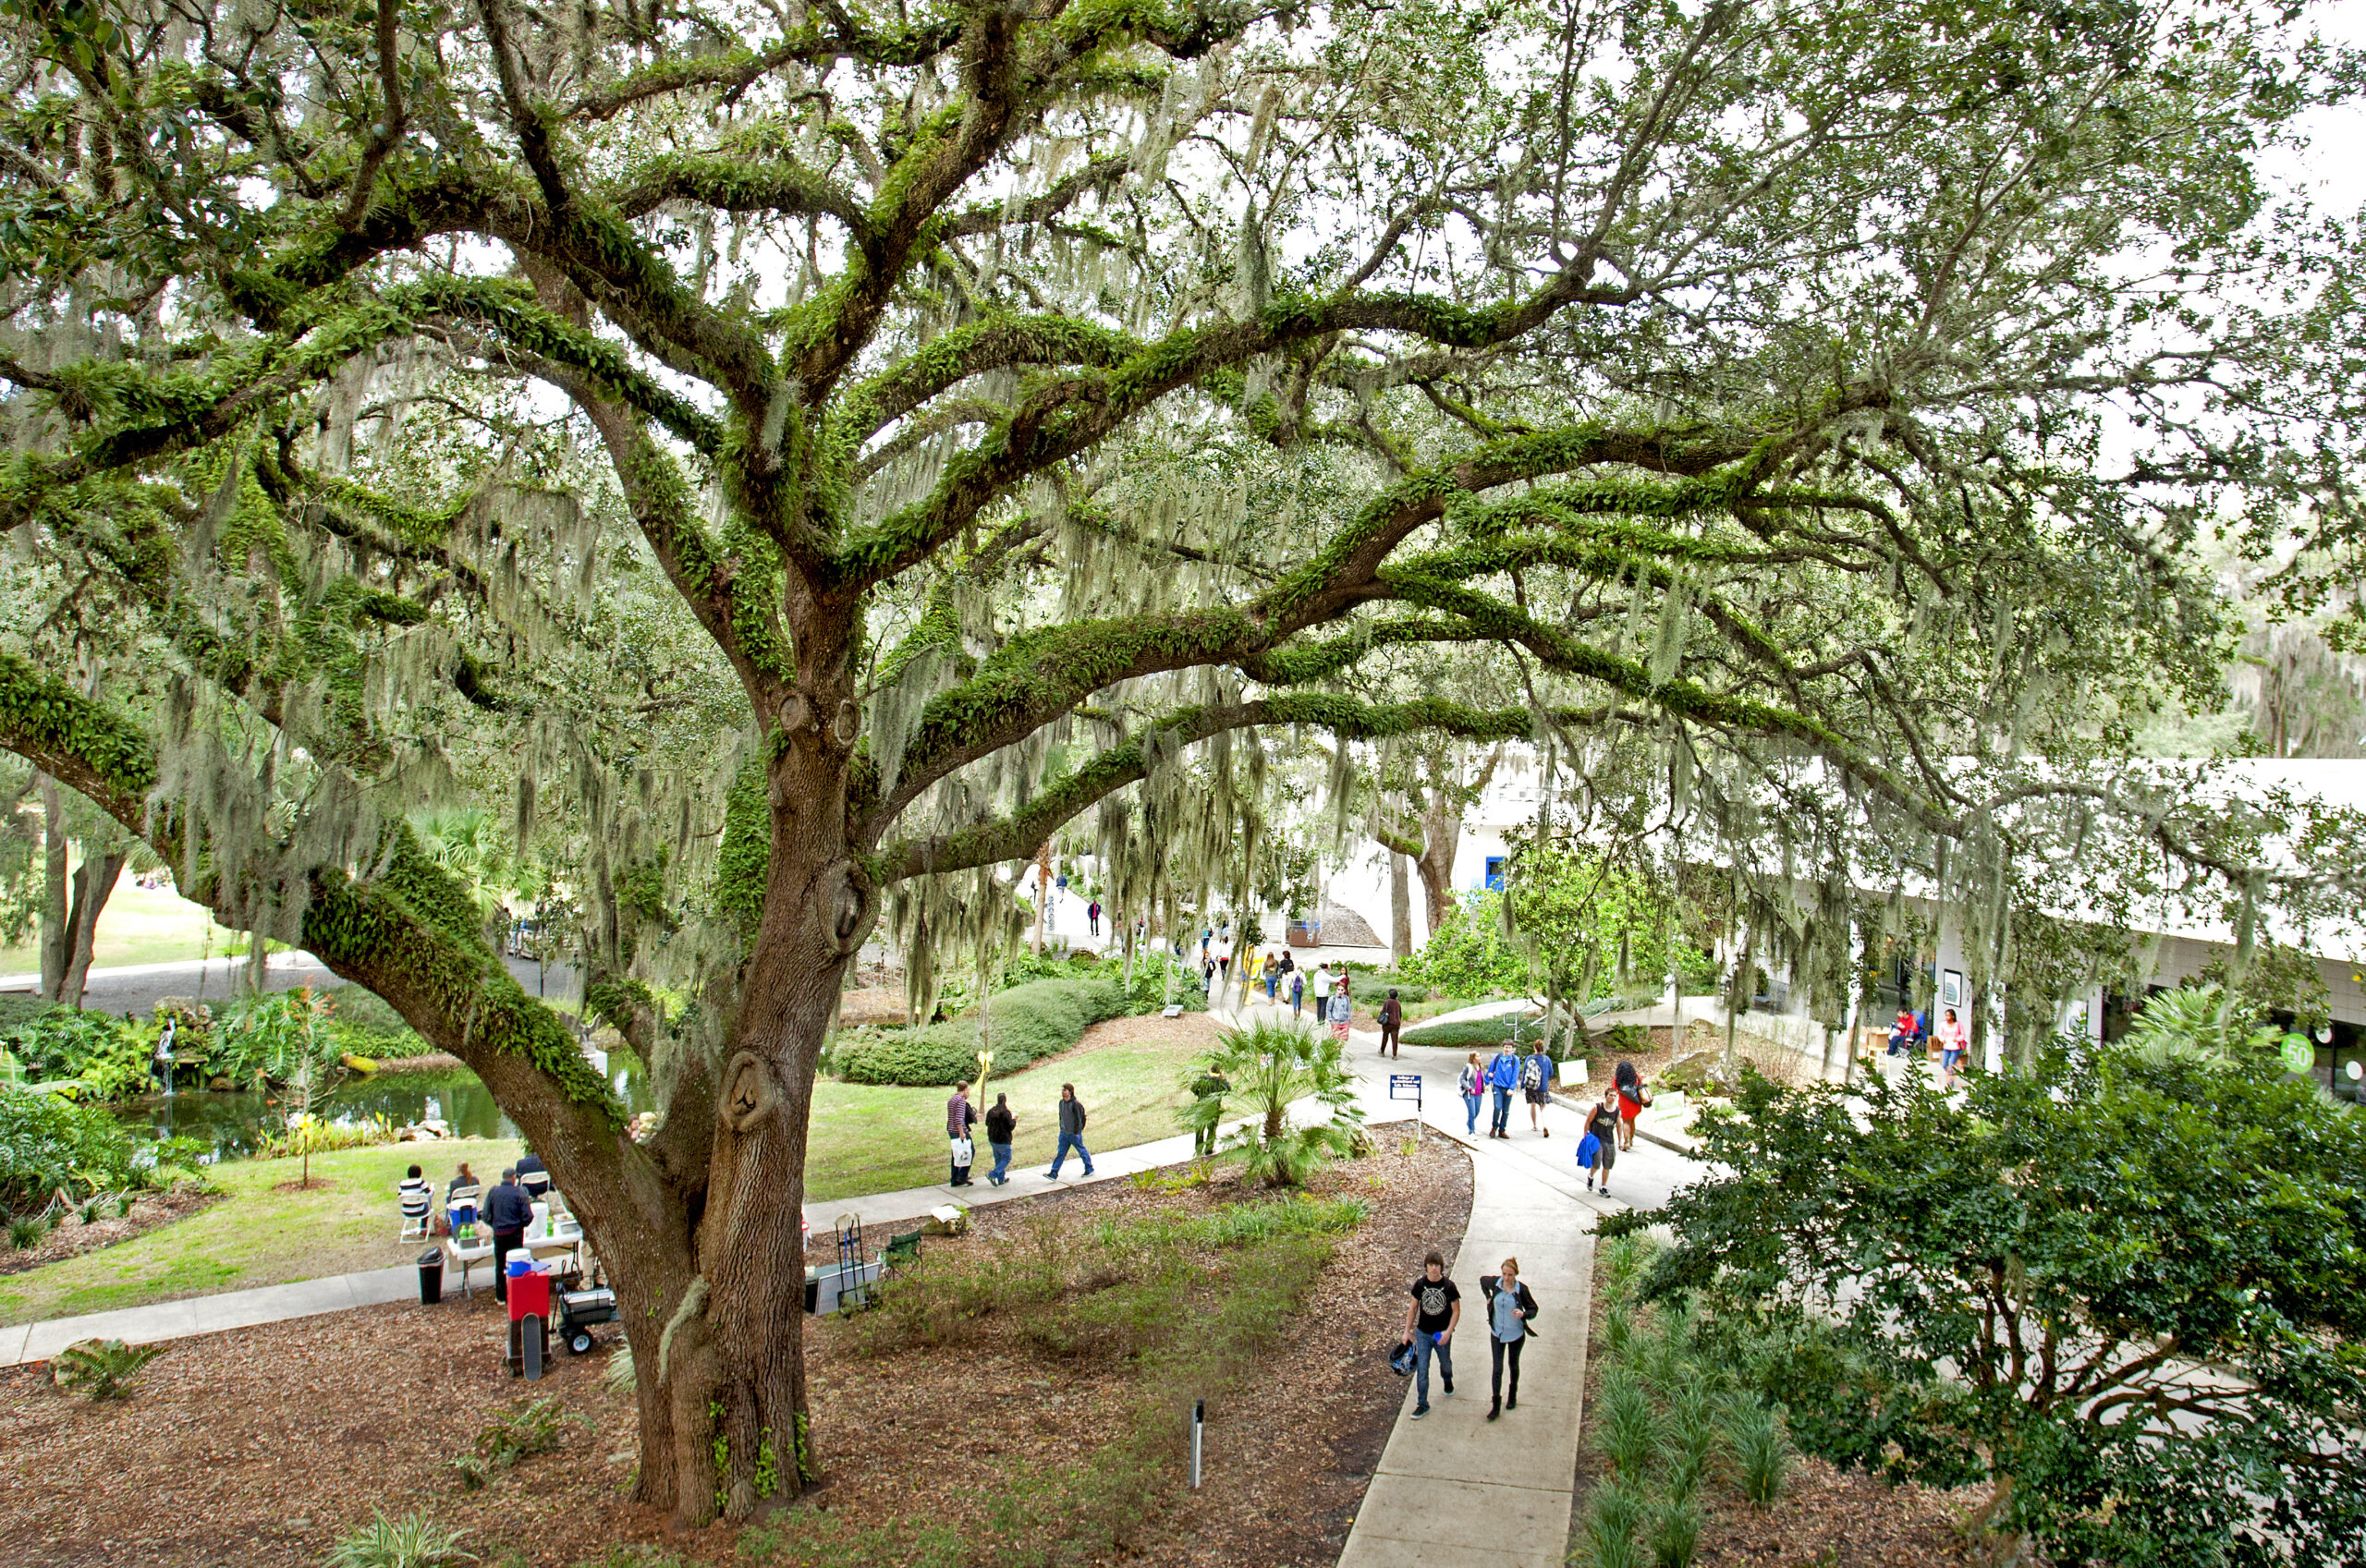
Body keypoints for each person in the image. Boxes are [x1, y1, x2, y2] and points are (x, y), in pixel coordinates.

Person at [1399, 1250, 1460, 1417]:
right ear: (1426, 1267)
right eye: (1431, 1265)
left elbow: (1456, 1311)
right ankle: (1422, 1404)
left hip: (1440, 1334)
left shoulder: (1449, 1287)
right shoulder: (1420, 1285)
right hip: (1423, 1334)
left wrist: (1448, 1332)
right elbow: (1413, 1308)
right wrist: (1407, 1331)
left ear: (1442, 1267)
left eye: (1437, 1265)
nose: (1434, 1269)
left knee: (1445, 1363)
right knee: (1422, 1369)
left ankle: (1447, 1379)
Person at [1480, 1258, 1540, 1420]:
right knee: (1497, 1369)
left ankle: (1512, 1394)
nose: (1506, 1278)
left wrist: (1523, 1314)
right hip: (1497, 1333)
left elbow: (1534, 1309)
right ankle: (1496, 1405)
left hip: (1516, 1335)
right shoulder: (1495, 1284)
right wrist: (1488, 1297)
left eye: (1510, 1275)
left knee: (1513, 1365)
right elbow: (1482, 1281)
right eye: (1504, 1274)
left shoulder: (1522, 1290)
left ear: (1515, 1274)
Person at [486, 1168, 534, 1303]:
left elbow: (486, 1215)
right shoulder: (520, 1192)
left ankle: (501, 1296)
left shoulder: (493, 1192)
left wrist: (496, 1225)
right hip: (515, 1234)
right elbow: (528, 1215)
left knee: (500, 1264)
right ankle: (517, 1295)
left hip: (500, 1233)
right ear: (513, 1178)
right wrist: (520, 1226)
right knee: (517, 1264)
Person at [1048, 1083, 1094, 1178]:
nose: (1063, 1092)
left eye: (1065, 1090)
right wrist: (1062, 1127)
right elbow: (1061, 1116)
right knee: (1060, 1153)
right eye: (1062, 1090)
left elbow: (1080, 1118)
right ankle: (1054, 1173)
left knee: (1081, 1151)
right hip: (1064, 1133)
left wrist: (1077, 1132)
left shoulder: (1075, 1104)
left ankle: (1089, 1168)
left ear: (1070, 1092)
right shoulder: (1061, 1103)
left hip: (1074, 1134)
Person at [1189, 1061, 1231, 1156]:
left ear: (1211, 1069)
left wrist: (1200, 1095)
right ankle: (1209, 1149)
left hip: (1201, 1107)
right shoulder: (1221, 1081)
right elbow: (1228, 1090)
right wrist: (1223, 1078)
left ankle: (1198, 1150)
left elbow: (1193, 1088)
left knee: (1200, 1129)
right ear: (1220, 1071)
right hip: (1214, 1108)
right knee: (1211, 1130)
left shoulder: (1203, 1078)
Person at [1584, 1090, 1621, 1195]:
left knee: (1607, 1164)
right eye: (1610, 1095)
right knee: (1596, 1162)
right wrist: (1585, 1136)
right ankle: (1591, 1176)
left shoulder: (1617, 1111)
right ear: (1606, 1096)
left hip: (1609, 1139)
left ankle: (1603, 1186)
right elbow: (1588, 1122)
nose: (1612, 1098)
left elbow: (1619, 1126)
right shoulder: (1597, 1108)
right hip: (1596, 1138)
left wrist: (1621, 1141)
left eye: (1614, 1096)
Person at [946, 1080, 979, 1185]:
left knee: (956, 1154)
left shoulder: (952, 1099)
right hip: (959, 1130)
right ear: (964, 1090)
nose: (968, 1093)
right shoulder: (961, 1100)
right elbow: (959, 1118)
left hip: (951, 1129)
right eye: (968, 1090)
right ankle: (962, 1175)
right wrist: (962, 1132)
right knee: (970, 1151)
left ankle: (954, 1178)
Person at [1487, 1041, 1521, 1137]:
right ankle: (1494, 1127)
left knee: (1506, 1111)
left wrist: (1511, 1088)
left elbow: (1515, 1075)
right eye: (1506, 1047)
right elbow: (1490, 1070)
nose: (1507, 1049)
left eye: (1509, 1047)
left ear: (1512, 1049)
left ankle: (1502, 1130)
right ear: (1503, 1048)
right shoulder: (1497, 1058)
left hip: (1508, 1088)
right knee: (1497, 1107)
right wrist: (1488, 1080)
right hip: (1497, 1086)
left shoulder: (1515, 1060)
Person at [1614, 1059, 1649, 1150]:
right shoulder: (1636, 1076)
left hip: (1624, 1103)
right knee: (1632, 1121)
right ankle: (1631, 1139)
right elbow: (1641, 1084)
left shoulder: (1618, 1079)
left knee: (1626, 1122)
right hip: (1635, 1102)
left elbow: (1615, 1090)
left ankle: (1626, 1141)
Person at [983, 1093, 1017, 1185]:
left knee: (998, 1159)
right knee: (1006, 1157)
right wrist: (1014, 1119)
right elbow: (1011, 1126)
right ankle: (993, 1174)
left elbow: (987, 1123)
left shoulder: (991, 1111)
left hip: (993, 1139)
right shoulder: (1006, 1113)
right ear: (1005, 1100)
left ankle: (1001, 1179)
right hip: (1003, 1140)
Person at [1935, 1006, 1971, 1088]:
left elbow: (1963, 1035)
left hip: (1955, 1047)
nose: (1947, 1017)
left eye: (1949, 1016)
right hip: (1947, 1046)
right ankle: (1949, 1074)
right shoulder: (1943, 1024)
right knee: (1944, 1064)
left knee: (1952, 1064)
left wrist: (1957, 1039)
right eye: (1946, 1016)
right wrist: (1942, 1039)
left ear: (1953, 1016)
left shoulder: (1958, 1024)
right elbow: (1940, 1034)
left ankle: (1950, 1082)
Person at [1522, 1042, 1553, 1134]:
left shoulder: (1529, 1058)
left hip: (1531, 1085)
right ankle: (1545, 1125)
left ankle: (1535, 1126)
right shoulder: (1546, 1059)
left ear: (1534, 1048)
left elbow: (1525, 1072)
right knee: (1542, 1106)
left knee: (1533, 1105)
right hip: (1542, 1086)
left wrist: (1523, 1085)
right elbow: (1551, 1073)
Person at [397, 1163, 433, 1239]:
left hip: (406, 1212)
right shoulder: (421, 1182)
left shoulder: (402, 1184)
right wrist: (433, 1188)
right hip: (420, 1211)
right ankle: (423, 1226)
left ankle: (422, 1227)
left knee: (423, 1199)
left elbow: (400, 1196)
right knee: (427, 1198)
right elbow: (430, 1194)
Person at [1459, 1051, 1485, 1135]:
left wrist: (1485, 1086)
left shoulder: (1481, 1067)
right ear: (1473, 1058)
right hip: (1470, 1094)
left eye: (1480, 1056)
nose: (1479, 1058)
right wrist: (1469, 1088)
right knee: (1472, 1112)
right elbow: (1462, 1079)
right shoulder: (1468, 1067)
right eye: (1477, 1056)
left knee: (1477, 1112)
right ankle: (1472, 1131)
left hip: (1479, 1093)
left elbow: (1481, 1079)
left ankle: (1469, 1123)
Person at [1327, 975, 1353, 1045]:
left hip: (1345, 1021)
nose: (1340, 991)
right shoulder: (1332, 999)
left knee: (1344, 1040)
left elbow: (1348, 1009)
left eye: (1342, 990)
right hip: (1335, 1021)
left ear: (1344, 990)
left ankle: (1341, 1052)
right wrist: (1331, 1020)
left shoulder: (1346, 998)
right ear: (1336, 990)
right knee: (1336, 1039)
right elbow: (1328, 1009)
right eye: (1339, 989)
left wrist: (1348, 1019)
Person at [1378, 988, 1403, 1058]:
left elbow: (1383, 1011)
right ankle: (1394, 1055)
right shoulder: (1398, 1003)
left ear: (1389, 995)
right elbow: (1400, 1014)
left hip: (1388, 1023)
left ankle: (1382, 1051)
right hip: (1396, 1023)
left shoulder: (1387, 1002)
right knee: (1395, 1039)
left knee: (1385, 1037)